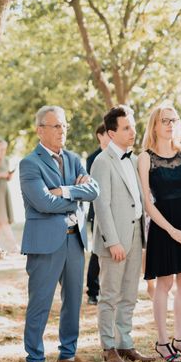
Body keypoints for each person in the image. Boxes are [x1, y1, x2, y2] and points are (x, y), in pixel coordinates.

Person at [19, 105, 100, 362]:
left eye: (64, 125)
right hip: (45, 244)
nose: (61, 131)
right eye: (55, 126)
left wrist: (65, 191)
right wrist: (75, 197)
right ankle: (35, 359)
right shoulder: (29, 164)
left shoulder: (75, 159)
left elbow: (94, 190)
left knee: (73, 300)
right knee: (40, 302)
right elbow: (42, 202)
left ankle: (67, 354)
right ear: (40, 129)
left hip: (74, 241)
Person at [137, 104, 181, 362]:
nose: (170, 125)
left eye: (174, 120)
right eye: (165, 120)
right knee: (164, 283)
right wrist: (171, 230)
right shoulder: (145, 157)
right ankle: (163, 342)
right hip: (163, 226)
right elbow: (147, 202)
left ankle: (180, 339)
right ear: (155, 125)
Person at [91, 106, 155, 362]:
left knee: (129, 294)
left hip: (136, 234)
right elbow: (101, 205)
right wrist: (113, 241)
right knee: (110, 295)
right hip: (114, 240)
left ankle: (125, 343)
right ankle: (108, 347)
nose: (133, 131)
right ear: (111, 132)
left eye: (133, 126)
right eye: (126, 128)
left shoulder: (133, 159)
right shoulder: (102, 162)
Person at [85, 123, 110, 306]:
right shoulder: (93, 158)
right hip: (97, 210)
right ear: (100, 136)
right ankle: (92, 291)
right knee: (97, 251)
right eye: (107, 134)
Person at [0, 138, 17, 253]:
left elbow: (9, 178)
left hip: (5, 191)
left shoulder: (6, 160)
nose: (2, 152)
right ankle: (14, 247)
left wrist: (9, 175)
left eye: (4, 150)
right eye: (0, 150)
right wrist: (1, 174)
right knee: (1, 222)